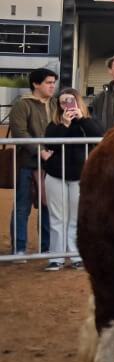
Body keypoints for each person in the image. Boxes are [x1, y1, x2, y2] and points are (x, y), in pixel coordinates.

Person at [40, 88, 102, 270]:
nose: (66, 105)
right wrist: (65, 125)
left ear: (77, 101)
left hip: (80, 175)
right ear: (59, 106)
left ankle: (75, 256)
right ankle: (57, 257)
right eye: (62, 102)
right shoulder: (54, 124)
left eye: (70, 101)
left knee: (76, 218)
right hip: (55, 175)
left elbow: (99, 135)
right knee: (57, 217)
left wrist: (82, 118)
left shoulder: (88, 122)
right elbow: (50, 141)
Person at [9, 67, 57, 255]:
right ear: (36, 84)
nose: (52, 86)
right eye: (48, 82)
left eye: (54, 82)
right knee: (23, 207)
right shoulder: (23, 104)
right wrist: (41, 151)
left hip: (51, 166)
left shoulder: (55, 104)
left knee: (48, 207)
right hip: (27, 164)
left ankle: (46, 247)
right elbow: (19, 132)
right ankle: (19, 248)